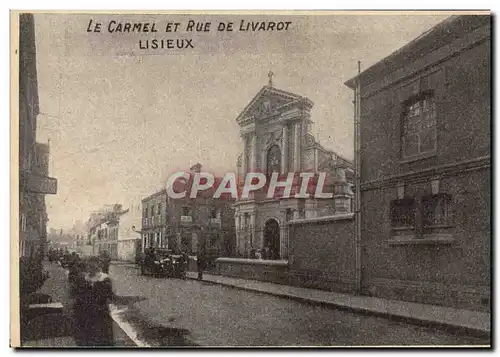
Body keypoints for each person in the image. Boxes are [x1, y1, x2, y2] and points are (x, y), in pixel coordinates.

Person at [72, 257, 114, 347]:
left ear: (98, 266)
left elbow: (106, 296)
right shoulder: (83, 278)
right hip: (84, 313)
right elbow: (76, 294)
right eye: (89, 266)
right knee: (85, 338)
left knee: (101, 338)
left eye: (93, 265)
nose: (90, 268)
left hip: (100, 314)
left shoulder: (105, 279)